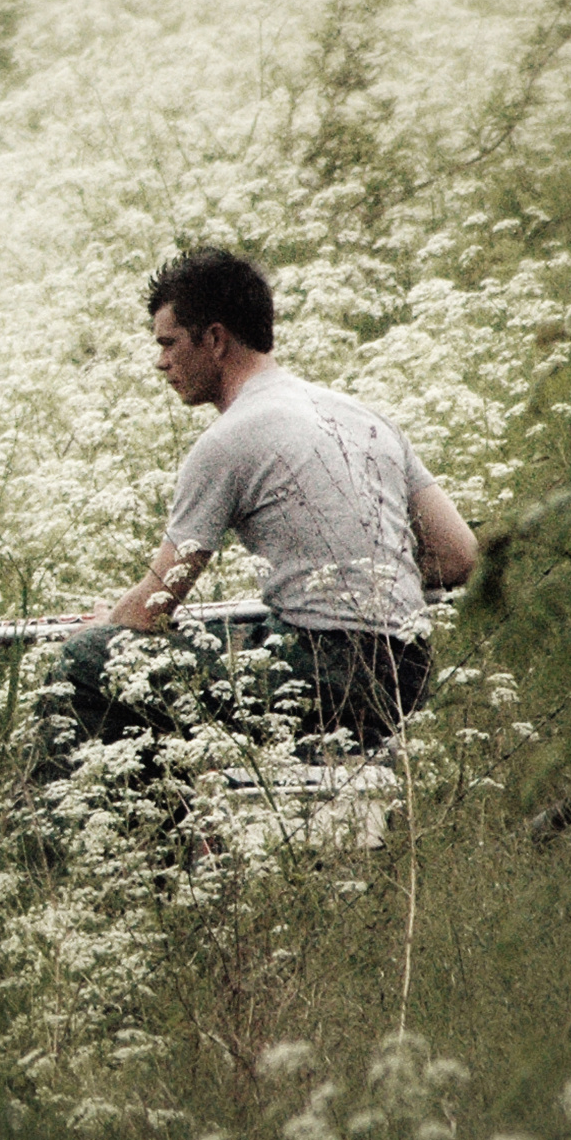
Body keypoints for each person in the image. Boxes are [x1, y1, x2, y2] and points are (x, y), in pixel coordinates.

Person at [39, 247, 479, 774]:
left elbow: (151, 609)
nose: (161, 362)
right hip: (408, 670)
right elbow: (459, 556)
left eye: (168, 343)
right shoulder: (365, 416)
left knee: (88, 662)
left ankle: (113, 819)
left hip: (325, 676)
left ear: (215, 339)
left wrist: (104, 630)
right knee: (223, 640)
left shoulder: (229, 439)